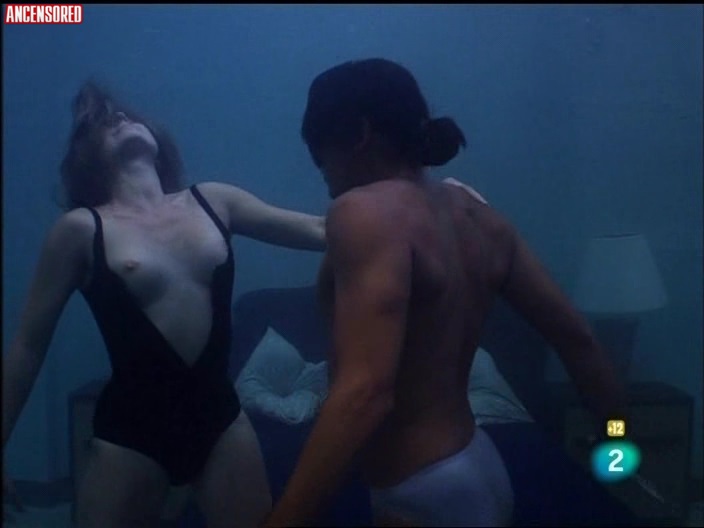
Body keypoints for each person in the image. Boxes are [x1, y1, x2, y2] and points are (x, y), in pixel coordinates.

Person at [263, 58, 628, 527]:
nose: (323, 173)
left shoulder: (363, 213)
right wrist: (617, 438)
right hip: (477, 466)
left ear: (359, 134)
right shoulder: (481, 219)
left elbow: (366, 392)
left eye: (321, 154)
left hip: (419, 488)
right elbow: (579, 340)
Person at [2, 81, 326, 528]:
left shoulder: (213, 200)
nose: (120, 118)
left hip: (219, 419)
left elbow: (318, 229)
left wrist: (402, 196)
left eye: (125, 114)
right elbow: (28, 346)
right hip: (132, 432)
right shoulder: (79, 230)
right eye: (103, 122)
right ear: (86, 156)